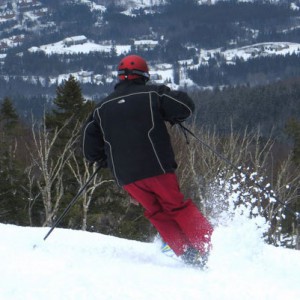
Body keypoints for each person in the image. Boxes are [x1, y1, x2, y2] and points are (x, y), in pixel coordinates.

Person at [82, 54, 213, 267]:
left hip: (125, 176)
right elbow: (185, 107)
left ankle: (188, 254)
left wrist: (106, 160)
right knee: (176, 206)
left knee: (157, 212)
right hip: (156, 166)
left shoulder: (100, 109)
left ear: (120, 77)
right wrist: (167, 112)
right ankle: (209, 248)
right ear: (144, 75)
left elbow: (90, 149)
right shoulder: (153, 94)